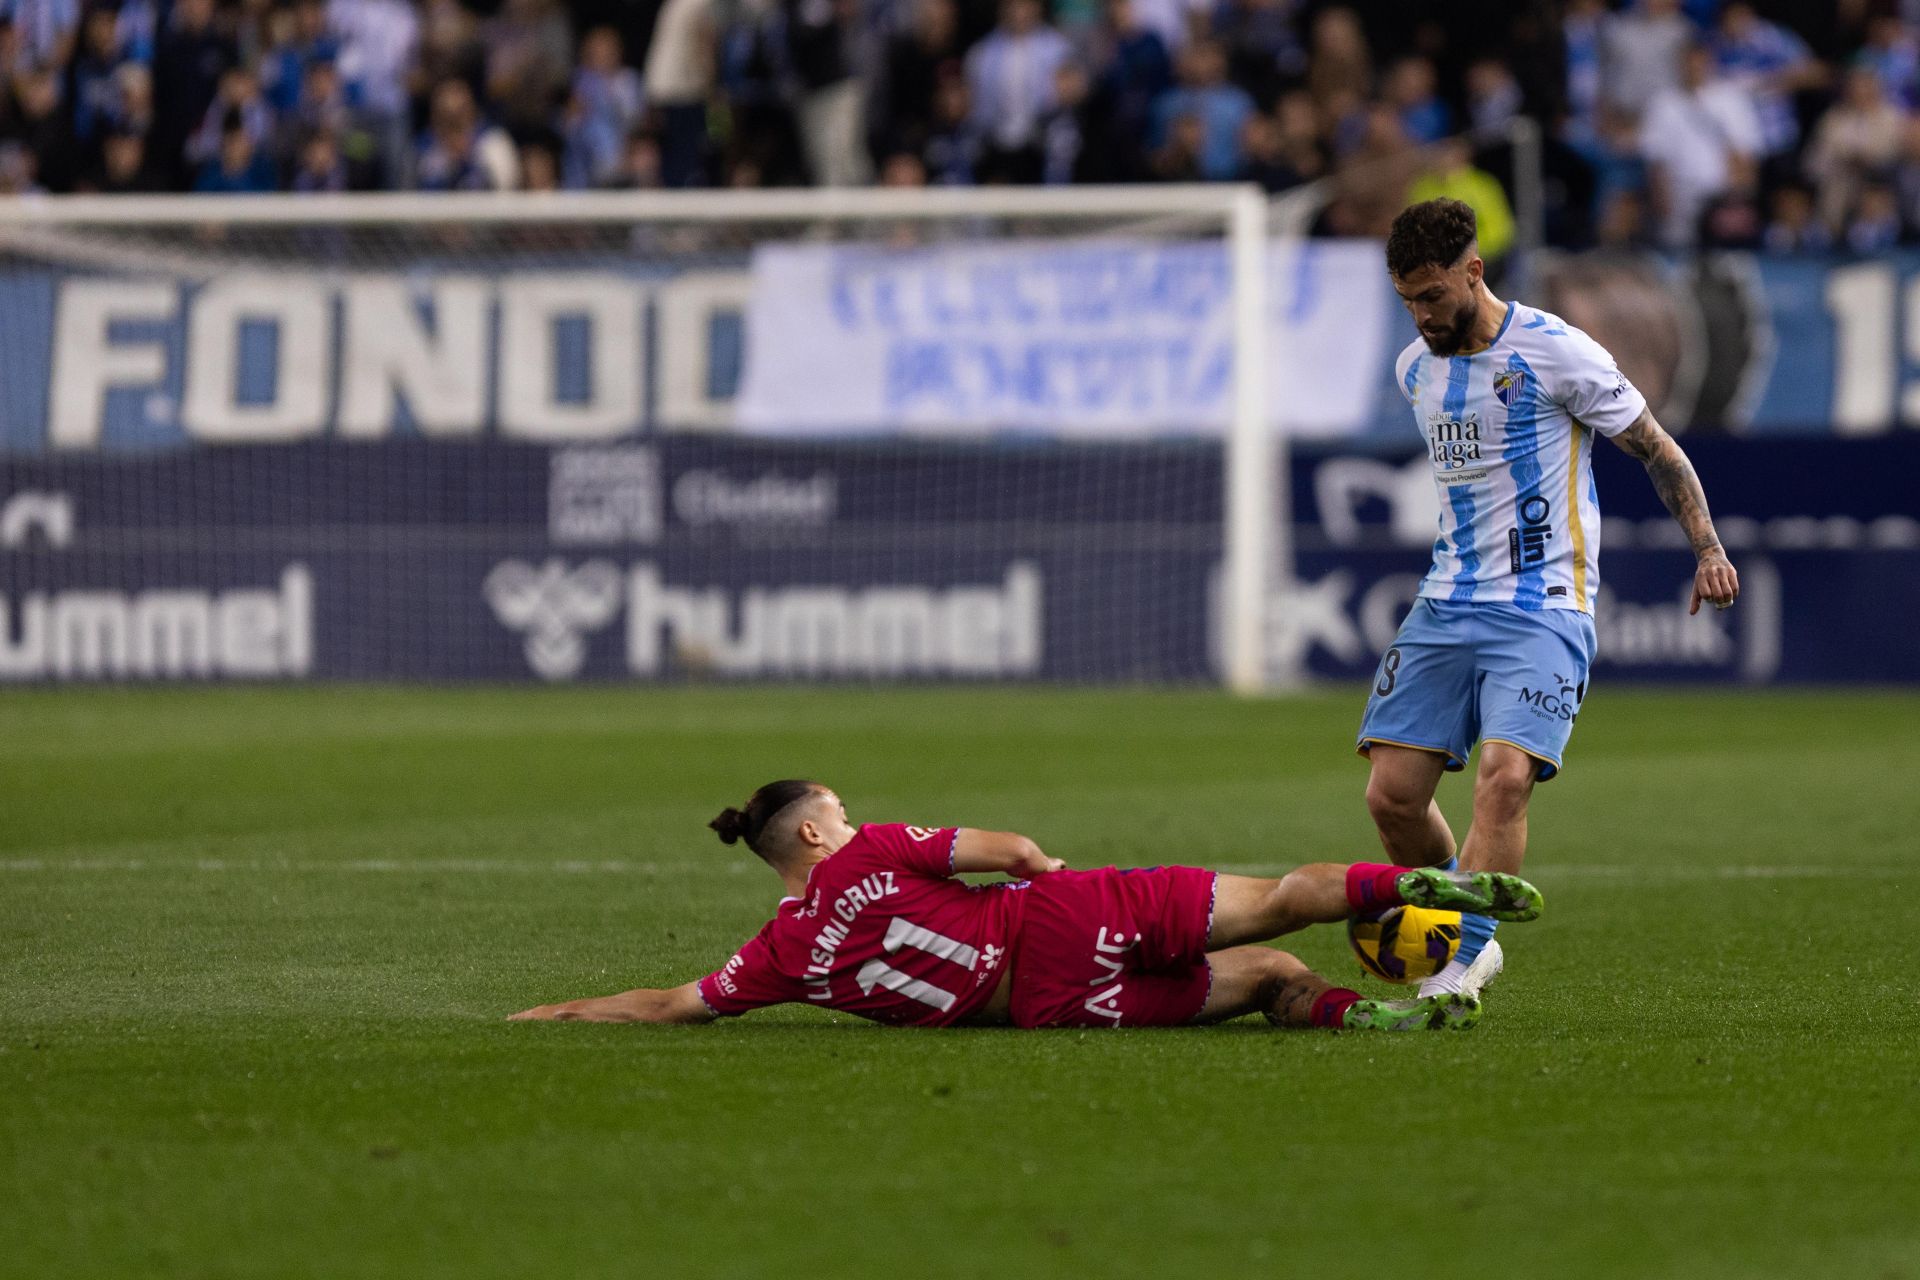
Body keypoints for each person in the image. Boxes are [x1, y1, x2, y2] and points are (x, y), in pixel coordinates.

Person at [1360, 197, 1737, 1006]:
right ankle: (1448, 909)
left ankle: (1468, 955)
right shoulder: (1414, 371)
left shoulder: (1558, 352)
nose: (1422, 315)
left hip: (1543, 604)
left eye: (1433, 295)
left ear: (1474, 271)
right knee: (1391, 798)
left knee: (1502, 777)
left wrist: (1707, 548)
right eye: (1408, 301)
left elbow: (1657, 449)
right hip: (1446, 598)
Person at [510, 780, 1544, 1032]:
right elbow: (1002, 848)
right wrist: (1043, 864)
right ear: (815, 832)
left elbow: (672, 1000)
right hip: (1048, 918)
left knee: (1273, 979)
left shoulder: (781, 955)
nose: (850, 812)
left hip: (1040, 1000)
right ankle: (1429, 884)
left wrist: (553, 1012)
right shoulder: (868, 850)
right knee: (1278, 907)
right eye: (838, 805)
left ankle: (1374, 1017)